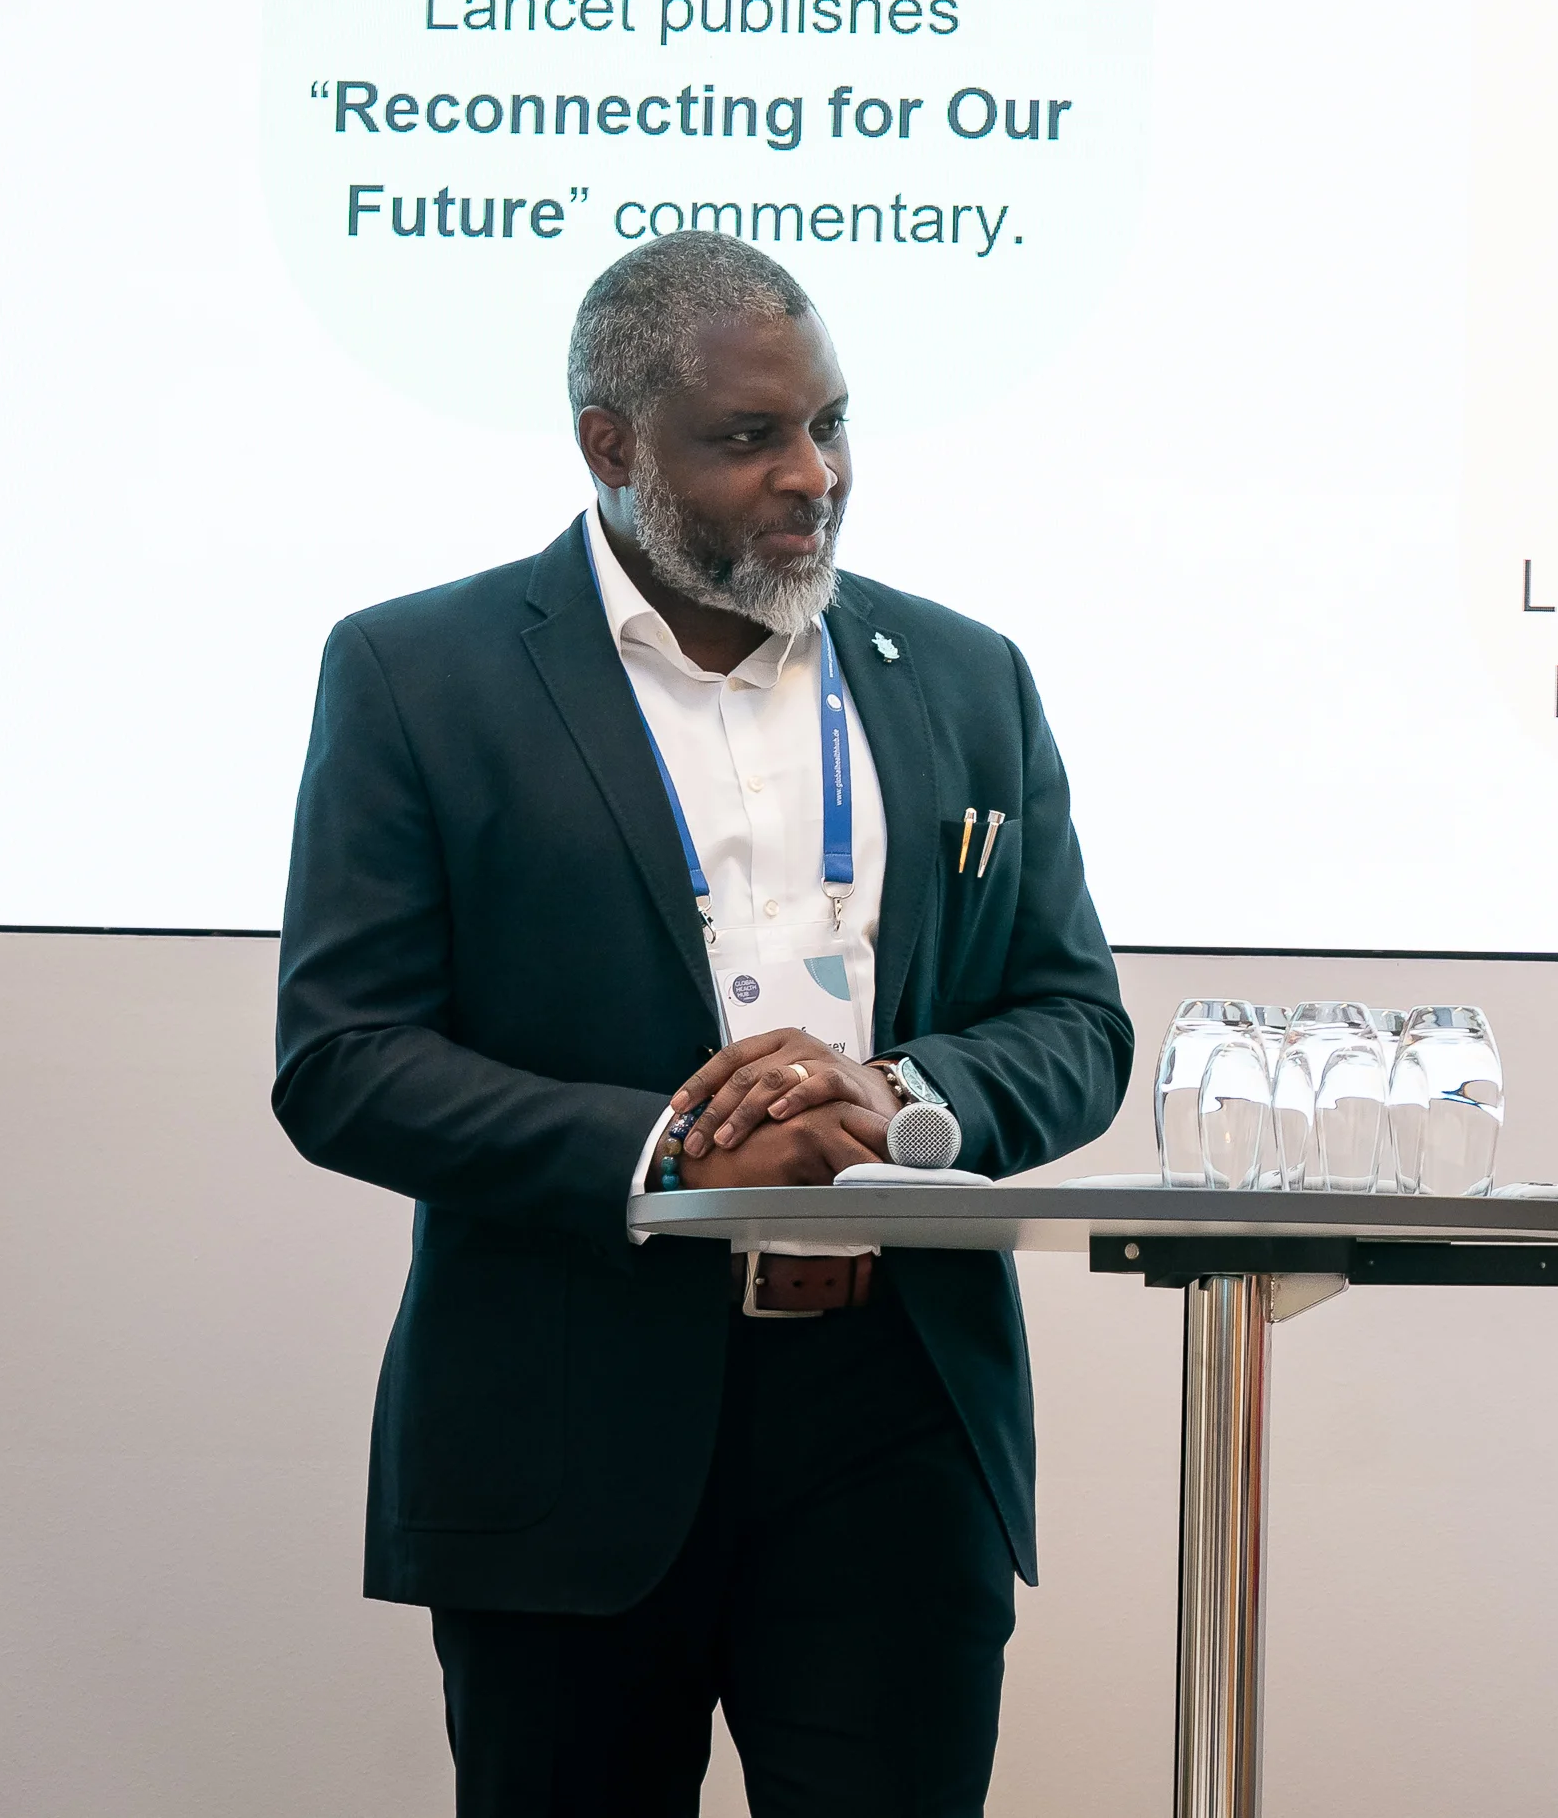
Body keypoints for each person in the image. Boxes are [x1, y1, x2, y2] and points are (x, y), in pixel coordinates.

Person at [273, 232, 1132, 1815]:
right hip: (567, 1416)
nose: (816, 474)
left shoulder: (964, 675)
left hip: (897, 1419)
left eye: (831, 422)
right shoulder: (416, 672)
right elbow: (342, 1058)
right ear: (611, 446)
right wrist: (675, 1148)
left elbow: (1076, 1018)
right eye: (752, 436)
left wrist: (901, 1097)